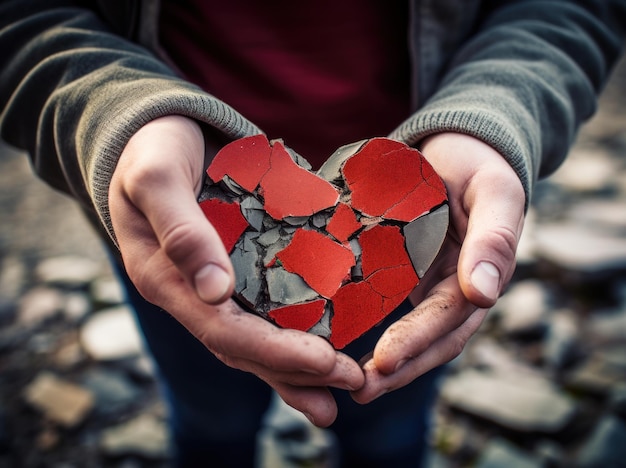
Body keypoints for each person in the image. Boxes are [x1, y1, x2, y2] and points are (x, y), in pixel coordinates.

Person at [0, 1, 624, 466]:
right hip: (186, 219)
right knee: (208, 421)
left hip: (422, 232)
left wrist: (492, 115)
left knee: (389, 428)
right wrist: (114, 115)